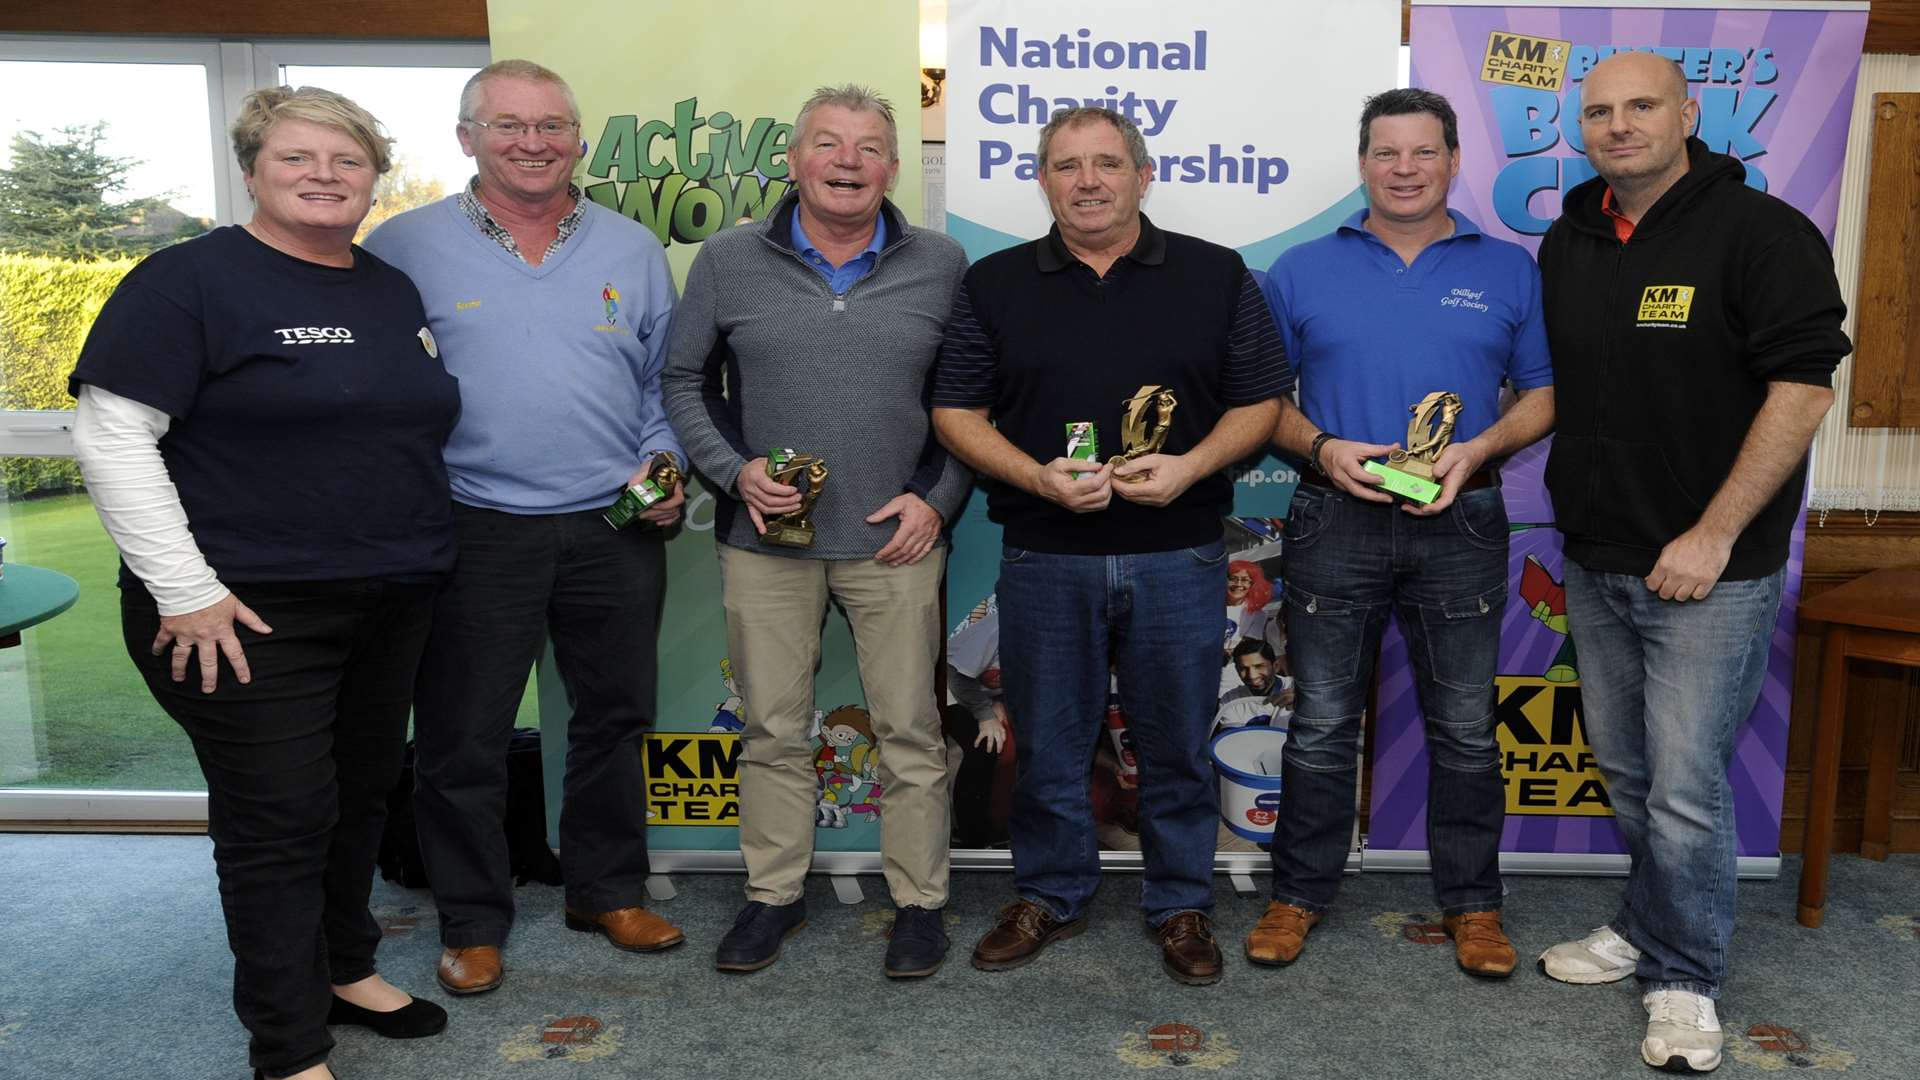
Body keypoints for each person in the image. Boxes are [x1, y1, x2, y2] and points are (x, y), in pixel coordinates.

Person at [69, 86, 454, 1080]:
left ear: (374, 177)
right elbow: (113, 437)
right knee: (278, 819)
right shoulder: (184, 284)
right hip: (238, 610)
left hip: (392, 593)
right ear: (253, 169)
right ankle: (288, 1047)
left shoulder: (384, 287)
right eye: (298, 158)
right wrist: (183, 588)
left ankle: (344, 966)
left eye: (348, 160)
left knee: (359, 795)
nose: (325, 175)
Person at [1534, 52, 1846, 1074]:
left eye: (1640, 106)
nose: (1618, 125)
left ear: (1689, 114)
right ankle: (1643, 923)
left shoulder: (1763, 234)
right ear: (1581, 128)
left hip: (1713, 568)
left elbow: (1801, 390)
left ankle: (1685, 978)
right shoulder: (1569, 237)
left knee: (1683, 789)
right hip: (1597, 553)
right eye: (1599, 111)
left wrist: (1712, 532)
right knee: (1630, 773)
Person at [931, 105, 1290, 986]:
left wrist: (1191, 465)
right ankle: (1049, 895)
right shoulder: (994, 282)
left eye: (1105, 163)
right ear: (1043, 180)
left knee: (1172, 744)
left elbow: (1261, 401)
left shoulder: (1217, 275)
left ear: (1143, 174)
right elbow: (953, 410)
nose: (1087, 181)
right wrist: (1035, 476)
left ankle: (1180, 905)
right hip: (1047, 552)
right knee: (1051, 745)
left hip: (1180, 549)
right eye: (1066, 165)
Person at [362, 58, 686, 996]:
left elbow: (664, 386)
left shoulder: (631, 248)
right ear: (467, 137)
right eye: (508, 125)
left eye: (552, 125)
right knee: (464, 736)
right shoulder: (402, 247)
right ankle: (471, 920)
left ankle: (605, 889)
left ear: (579, 139)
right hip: (475, 528)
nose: (533, 143)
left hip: (614, 528)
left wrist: (663, 471)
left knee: (614, 721)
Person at [660, 85, 970, 978]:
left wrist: (934, 501)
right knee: (772, 730)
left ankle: (919, 904)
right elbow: (684, 382)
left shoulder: (942, 264)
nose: (847, 161)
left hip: (897, 544)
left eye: (869, 146)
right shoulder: (725, 260)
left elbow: (965, 405)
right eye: (827, 144)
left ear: (893, 168)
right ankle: (773, 898)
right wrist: (734, 473)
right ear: (792, 162)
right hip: (765, 546)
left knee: (910, 730)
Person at [1249, 88, 1554, 980]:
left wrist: (1476, 451)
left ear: (1454, 161)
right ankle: (1295, 895)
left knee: (1463, 727)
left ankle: (1475, 907)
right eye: (1388, 153)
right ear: (1363, 163)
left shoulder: (1511, 270)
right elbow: (1260, 403)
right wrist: (1323, 445)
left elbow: (1543, 395)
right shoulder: (1300, 270)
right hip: (1332, 514)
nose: (1406, 169)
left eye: (1424, 153)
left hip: (1460, 516)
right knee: (1321, 724)